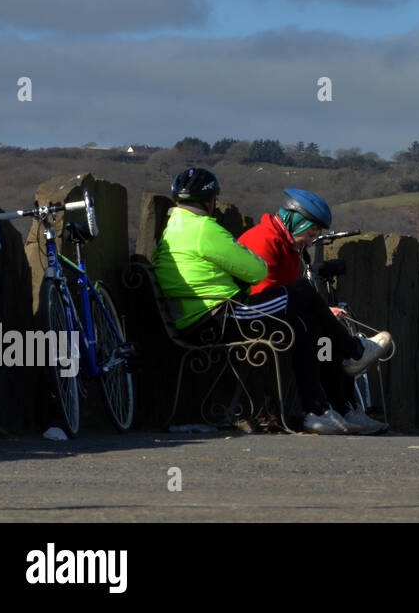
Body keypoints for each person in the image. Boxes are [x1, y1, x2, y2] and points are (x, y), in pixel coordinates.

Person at [152, 167, 390, 434]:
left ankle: (333, 408)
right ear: (210, 201)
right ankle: (352, 357)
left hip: (207, 316)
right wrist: (311, 304)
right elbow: (258, 274)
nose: (311, 240)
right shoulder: (211, 230)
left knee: (315, 329)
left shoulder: (176, 228)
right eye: (310, 233)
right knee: (307, 305)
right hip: (220, 316)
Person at [238, 188, 390, 434]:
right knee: (310, 324)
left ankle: (341, 408)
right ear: (295, 220)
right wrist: (316, 308)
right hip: (251, 317)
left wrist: (321, 311)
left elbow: (284, 296)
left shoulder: (289, 248)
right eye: (310, 233)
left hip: (274, 315)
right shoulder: (263, 239)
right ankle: (348, 361)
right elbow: (263, 295)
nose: (311, 241)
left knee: (323, 337)